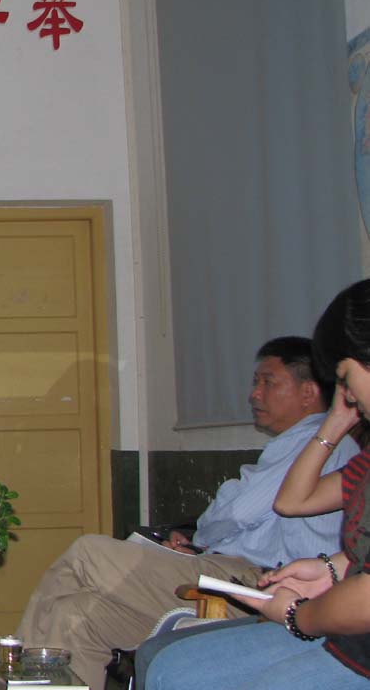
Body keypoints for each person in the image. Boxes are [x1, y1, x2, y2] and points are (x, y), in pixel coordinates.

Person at [15, 336, 358, 690]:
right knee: (74, 615)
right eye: (255, 382)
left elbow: (239, 512)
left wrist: (201, 539)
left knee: (87, 553)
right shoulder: (299, 443)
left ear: (309, 392)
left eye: (268, 382)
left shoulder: (314, 443)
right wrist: (198, 545)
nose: (254, 394)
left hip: (260, 583)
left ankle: (20, 675)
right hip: (232, 571)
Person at [147, 281, 370, 689]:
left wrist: (297, 615)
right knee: (170, 667)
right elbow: (293, 501)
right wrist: (330, 567)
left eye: (345, 377)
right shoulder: (363, 460)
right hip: (347, 633)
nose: (347, 394)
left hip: (354, 644)